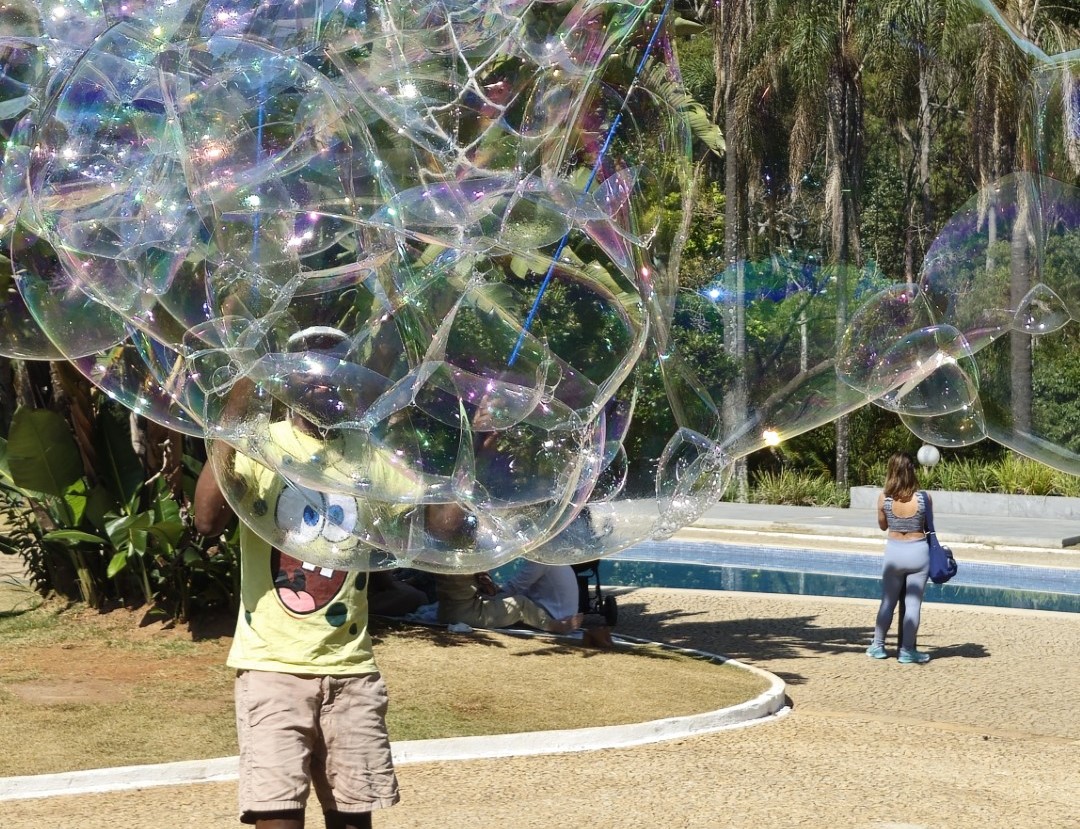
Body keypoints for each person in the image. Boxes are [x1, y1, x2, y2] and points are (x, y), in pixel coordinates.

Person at [194, 326, 400, 829]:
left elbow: (440, 524)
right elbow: (206, 520)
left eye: (337, 365)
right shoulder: (261, 446)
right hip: (271, 668)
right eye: (309, 366)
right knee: (277, 818)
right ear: (287, 378)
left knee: (353, 821)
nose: (325, 376)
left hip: (351, 671)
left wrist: (464, 443)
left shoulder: (369, 455)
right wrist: (243, 394)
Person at [867, 451, 932, 665]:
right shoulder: (924, 498)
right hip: (918, 552)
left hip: (895, 552)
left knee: (888, 601)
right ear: (912, 470)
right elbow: (928, 526)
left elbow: (883, 525)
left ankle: (878, 645)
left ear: (891, 471)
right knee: (913, 604)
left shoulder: (884, 497)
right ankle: (906, 651)